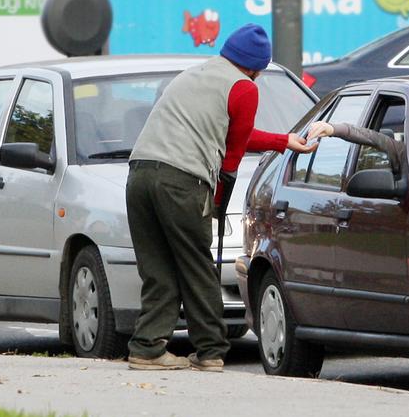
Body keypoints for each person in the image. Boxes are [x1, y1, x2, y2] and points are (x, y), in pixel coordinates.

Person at [125, 24, 316, 372]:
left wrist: (281, 140)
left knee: (157, 265)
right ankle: (210, 350)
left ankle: (148, 348)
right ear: (256, 68)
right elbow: (233, 153)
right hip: (181, 180)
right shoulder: (244, 88)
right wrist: (219, 194)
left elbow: (231, 133)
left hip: (139, 174)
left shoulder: (194, 75)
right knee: (197, 264)